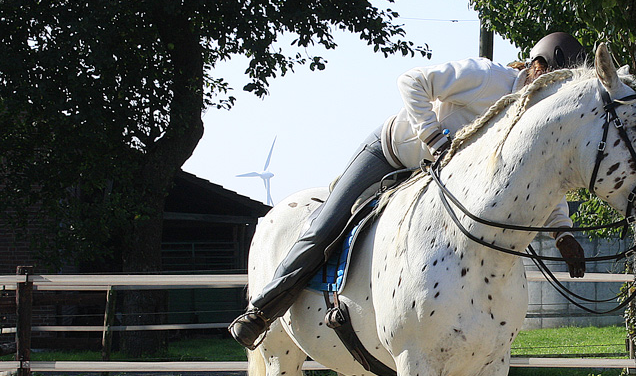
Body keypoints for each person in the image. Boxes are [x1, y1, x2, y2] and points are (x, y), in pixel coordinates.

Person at [230, 32, 590, 349]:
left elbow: (540, 172)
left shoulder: (527, 117)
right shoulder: (486, 78)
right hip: (392, 154)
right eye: (551, 85)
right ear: (538, 68)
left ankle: (479, 352)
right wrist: (435, 139)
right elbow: (411, 80)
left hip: (436, 182)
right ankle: (262, 311)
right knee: (327, 224)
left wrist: (561, 230)